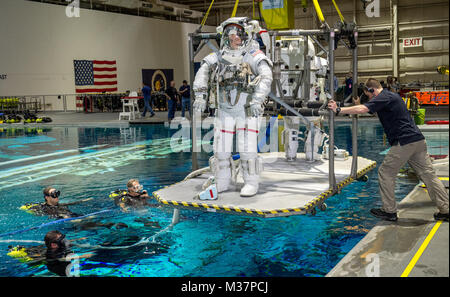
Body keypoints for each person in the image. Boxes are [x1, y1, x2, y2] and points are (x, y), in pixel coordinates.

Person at [328, 78, 449, 222]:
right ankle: (446, 209)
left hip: (404, 142)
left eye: (368, 94)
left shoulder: (383, 96)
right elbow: (370, 109)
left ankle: (389, 211)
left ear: (372, 90)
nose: (369, 98)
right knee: (429, 176)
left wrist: (338, 109)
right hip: (417, 140)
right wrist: (358, 105)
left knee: (385, 172)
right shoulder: (390, 96)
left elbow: (364, 109)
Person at [193, 17, 273, 197]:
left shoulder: (253, 56)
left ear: (245, 36)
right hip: (224, 111)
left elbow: (266, 76)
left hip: (247, 110)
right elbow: (203, 71)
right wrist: (200, 96)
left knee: (247, 150)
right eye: (230, 34)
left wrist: (257, 100)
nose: (233, 38)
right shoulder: (218, 56)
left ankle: (251, 182)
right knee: (221, 150)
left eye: (237, 34)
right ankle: (223, 180)